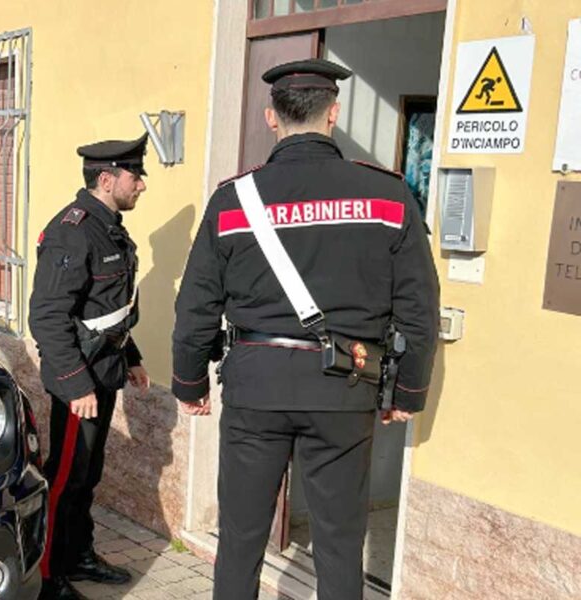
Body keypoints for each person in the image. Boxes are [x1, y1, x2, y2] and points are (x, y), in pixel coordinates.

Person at [170, 58, 440, 600]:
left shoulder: (233, 200)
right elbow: (419, 307)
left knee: (242, 538)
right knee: (340, 542)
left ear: (272, 118)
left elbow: (196, 305)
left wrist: (189, 383)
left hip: (256, 388)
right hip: (346, 387)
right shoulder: (388, 196)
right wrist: (407, 391)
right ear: (334, 114)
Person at [29, 134, 153, 600]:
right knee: (64, 478)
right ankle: (47, 576)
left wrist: (133, 357)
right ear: (107, 179)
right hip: (78, 381)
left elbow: (107, 308)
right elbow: (47, 316)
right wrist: (74, 383)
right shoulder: (73, 231)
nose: (141, 185)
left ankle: (78, 553)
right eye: (135, 176)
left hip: (103, 371)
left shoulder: (110, 227)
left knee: (89, 474)